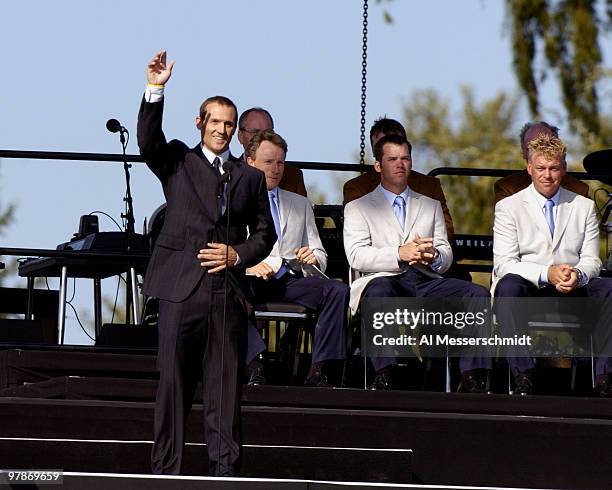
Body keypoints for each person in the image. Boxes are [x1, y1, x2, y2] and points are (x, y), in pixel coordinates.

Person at [138, 51, 276, 476]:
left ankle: (225, 471)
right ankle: (167, 471)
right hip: (181, 289)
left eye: (229, 124)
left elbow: (265, 234)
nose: (222, 129)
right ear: (200, 123)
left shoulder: (249, 177)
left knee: (225, 388)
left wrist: (238, 255)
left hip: (226, 293)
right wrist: (155, 89)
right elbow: (148, 141)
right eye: (214, 121)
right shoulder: (178, 160)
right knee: (174, 386)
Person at [343, 134, 491, 392]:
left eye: (405, 158)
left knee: (477, 293)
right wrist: (400, 252)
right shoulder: (358, 207)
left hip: (425, 280)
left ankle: (471, 376)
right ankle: (384, 373)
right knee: (380, 291)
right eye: (392, 159)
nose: (400, 164)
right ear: (378, 165)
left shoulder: (430, 205)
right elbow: (356, 256)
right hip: (384, 279)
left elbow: (446, 254)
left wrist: (433, 256)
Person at [493, 134, 612, 396]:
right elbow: (504, 263)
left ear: (564, 168)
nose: (547, 175)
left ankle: (604, 377)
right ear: (529, 168)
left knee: (609, 288)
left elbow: (593, 259)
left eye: (554, 168)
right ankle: (523, 374)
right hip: (531, 287)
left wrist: (578, 275)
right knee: (507, 286)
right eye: (541, 168)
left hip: (572, 287)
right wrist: (547, 273)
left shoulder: (584, 206)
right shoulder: (507, 207)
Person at [244, 129, 349, 386]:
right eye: (268, 162)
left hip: (289, 280)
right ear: (250, 161)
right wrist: (249, 265)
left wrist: (313, 258)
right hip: (251, 279)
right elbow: (227, 247)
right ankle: (253, 365)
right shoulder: (237, 199)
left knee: (337, 290)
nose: (276, 168)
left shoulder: (299, 203)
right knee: (227, 288)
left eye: (280, 163)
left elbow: (320, 254)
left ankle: (319, 369)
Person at [342, 117, 454, 242]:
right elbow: (354, 232)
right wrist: (400, 252)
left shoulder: (429, 185)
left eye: (397, 142)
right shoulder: (357, 187)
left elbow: (446, 231)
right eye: (383, 144)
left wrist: (425, 251)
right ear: (375, 150)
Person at [494, 121, 589, 204]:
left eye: (547, 145)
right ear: (523, 151)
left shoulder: (578, 190)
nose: (540, 150)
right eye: (532, 147)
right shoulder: (507, 188)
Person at [237, 107, 307, 196]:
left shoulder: (293, 176)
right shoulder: (228, 172)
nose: (262, 137)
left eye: (268, 132)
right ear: (240, 136)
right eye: (255, 132)